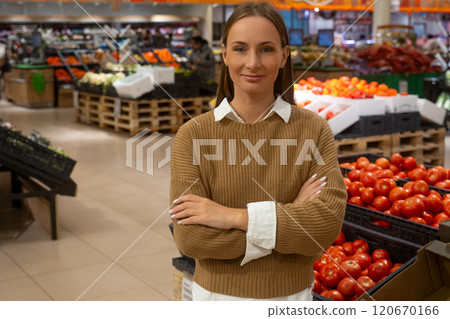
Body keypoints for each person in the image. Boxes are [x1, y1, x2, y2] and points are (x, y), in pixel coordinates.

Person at [170, 1, 347, 301]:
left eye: (266, 49)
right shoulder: (194, 134)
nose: (252, 62)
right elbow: (191, 239)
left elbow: (324, 226)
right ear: (224, 54)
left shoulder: (314, 130)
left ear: (283, 56)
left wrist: (230, 216)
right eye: (240, 49)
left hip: (291, 299)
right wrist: (290, 218)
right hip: (216, 299)